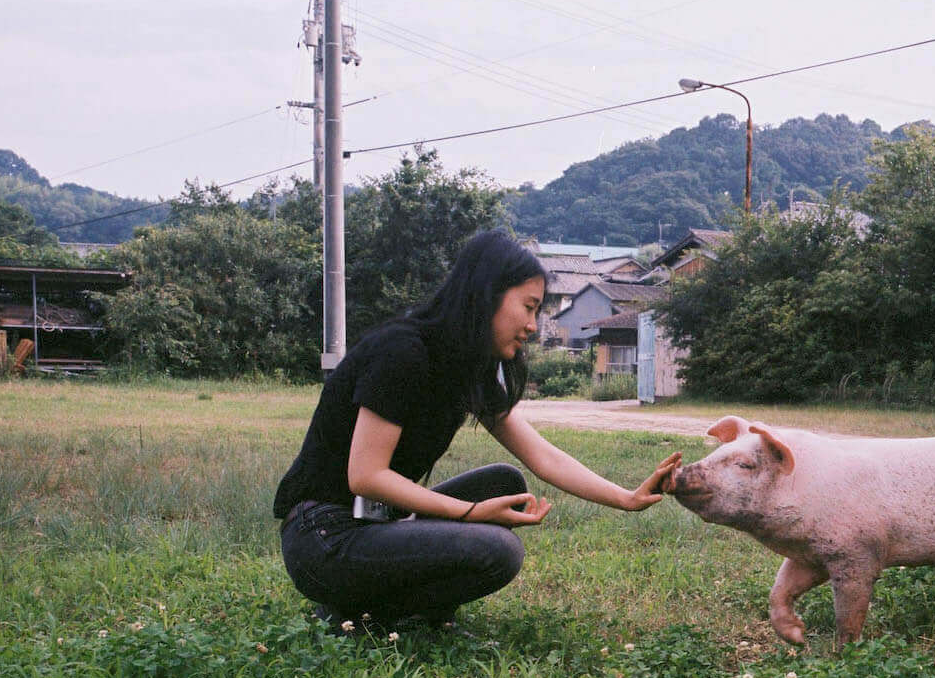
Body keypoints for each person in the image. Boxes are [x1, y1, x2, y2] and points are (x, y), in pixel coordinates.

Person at [273, 229, 681, 632]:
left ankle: (375, 610)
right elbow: (366, 475)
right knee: (499, 551)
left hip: (375, 524)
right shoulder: (402, 351)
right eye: (528, 307)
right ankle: (363, 614)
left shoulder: (468, 368)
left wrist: (626, 498)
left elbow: (543, 456)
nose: (534, 326)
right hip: (324, 535)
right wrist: (471, 513)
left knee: (504, 482)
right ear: (487, 295)